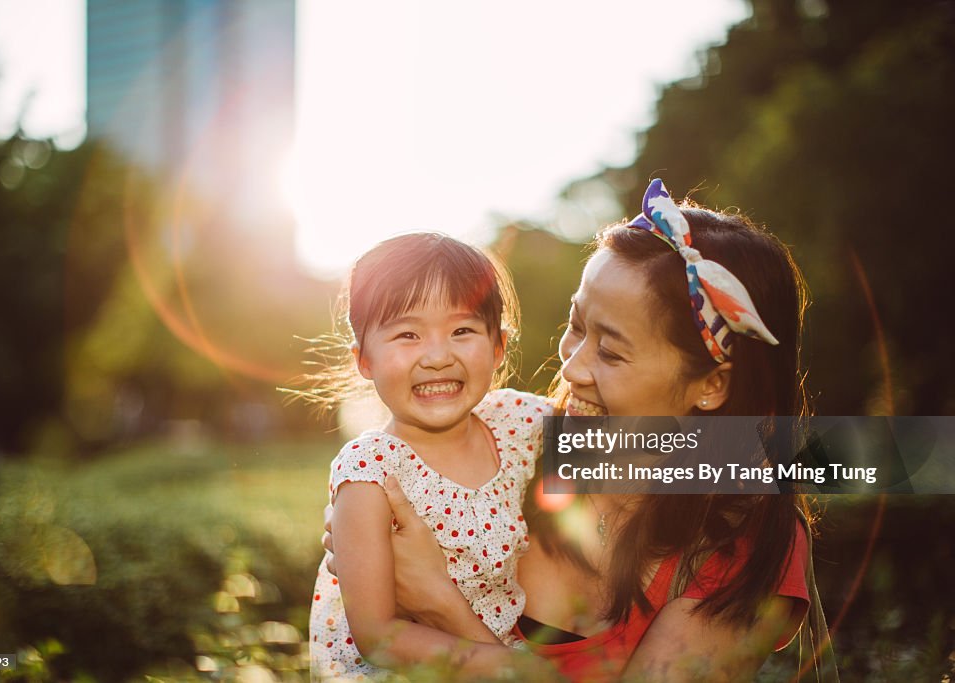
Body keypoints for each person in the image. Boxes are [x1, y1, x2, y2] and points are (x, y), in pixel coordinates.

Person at [324, 179, 837, 682]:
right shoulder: (514, 442)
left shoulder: (739, 544)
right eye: (576, 326)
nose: (570, 370)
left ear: (711, 385)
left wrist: (441, 605)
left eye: (610, 351)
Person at [306, 233, 553, 679]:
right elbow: (380, 636)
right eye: (407, 334)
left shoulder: (517, 423)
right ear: (365, 360)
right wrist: (515, 672)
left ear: (498, 346)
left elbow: (652, 448)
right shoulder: (371, 470)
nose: (438, 356)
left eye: (462, 331)